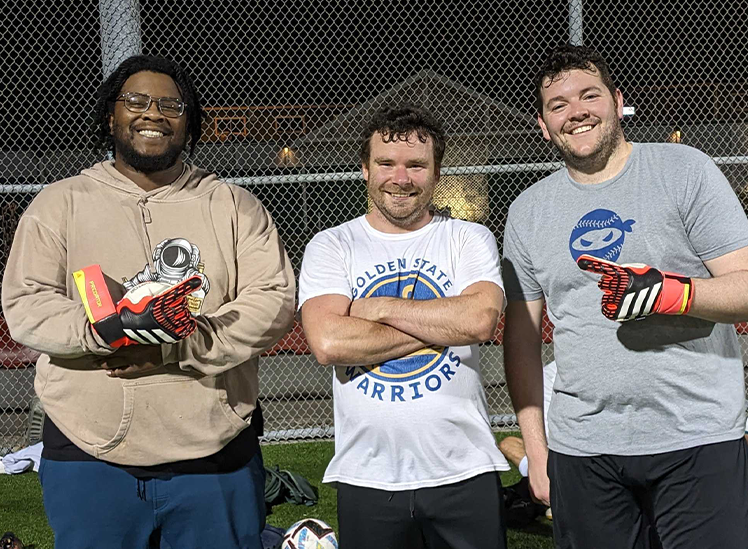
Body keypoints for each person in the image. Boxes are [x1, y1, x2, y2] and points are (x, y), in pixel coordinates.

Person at [1, 55, 295, 549]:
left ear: (190, 121)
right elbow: (27, 306)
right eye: (135, 101)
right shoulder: (60, 203)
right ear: (109, 116)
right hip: (88, 456)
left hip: (213, 453)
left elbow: (273, 301)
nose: (152, 114)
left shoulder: (233, 204)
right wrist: (110, 330)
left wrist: (173, 344)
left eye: (171, 105)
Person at [502, 43, 748, 549]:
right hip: (582, 446)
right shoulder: (528, 210)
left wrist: (671, 293)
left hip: (696, 434)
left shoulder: (684, 169)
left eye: (588, 95)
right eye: (558, 105)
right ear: (543, 126)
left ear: (617, 102)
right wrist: (536, 448)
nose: (577, 112)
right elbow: (520, 339)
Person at [298, 104, 509, 549]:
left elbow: (479, 319)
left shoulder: (468, 238)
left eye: (416, 165)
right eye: (386, 163)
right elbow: (329, 342)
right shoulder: (332, 244)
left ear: (436, 173)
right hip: (368, 473)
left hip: (463, 468)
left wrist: (375, 308)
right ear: (365, 169)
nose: (401, 177)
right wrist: (439, 325)